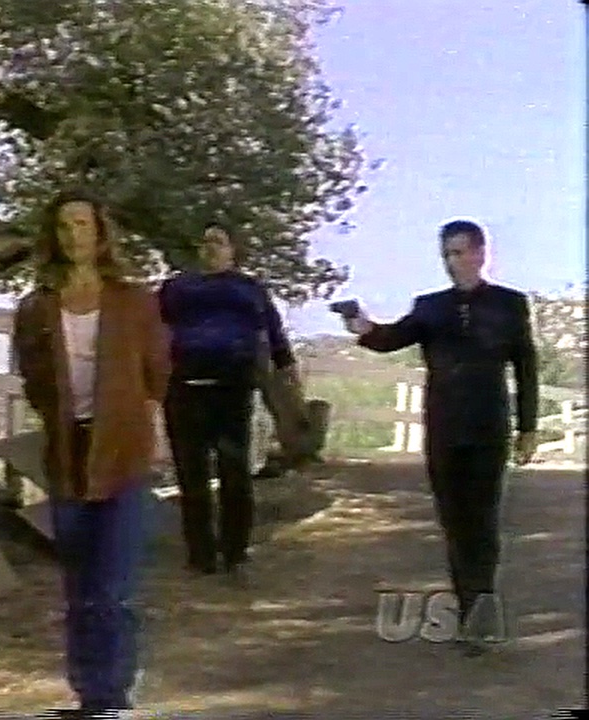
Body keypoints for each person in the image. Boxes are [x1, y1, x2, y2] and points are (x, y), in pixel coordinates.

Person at [343, 219, 538, 654]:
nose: (452, 262)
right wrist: (361, 324)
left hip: (488, 427)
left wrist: (528, 428)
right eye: (446, 254)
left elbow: (526, 366)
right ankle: (470, 609)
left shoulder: (509, 305)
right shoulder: (429, 307)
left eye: (459, 252)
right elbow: (390, 338)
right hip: (444, 429)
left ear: (480, 253)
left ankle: (477, 618)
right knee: (454, 523)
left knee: (482, 523)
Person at [12, 189, 170, 716]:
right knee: (79, 588)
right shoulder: (37, 306)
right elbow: (33, 378)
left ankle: (111, 698)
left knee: (113, 588)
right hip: (68, 451)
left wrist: (142, 425)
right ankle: (87, 696)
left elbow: (157, 371)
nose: (73, 235)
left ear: (100, 232)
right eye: (63, 226)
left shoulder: (133, 300)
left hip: (123, 449)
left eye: (82, 224)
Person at [159, 221, 301, 586]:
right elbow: (151, 331)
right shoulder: (176, 289)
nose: (210, 247)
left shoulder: (249, 290)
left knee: (234, 473)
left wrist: (287, 372)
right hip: (184, 390)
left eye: (218, 242)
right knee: (191, 477)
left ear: (232, 250)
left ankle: (236, 552)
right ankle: (200, 555)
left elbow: (274, 333)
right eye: (205, 241)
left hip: (233, 390)